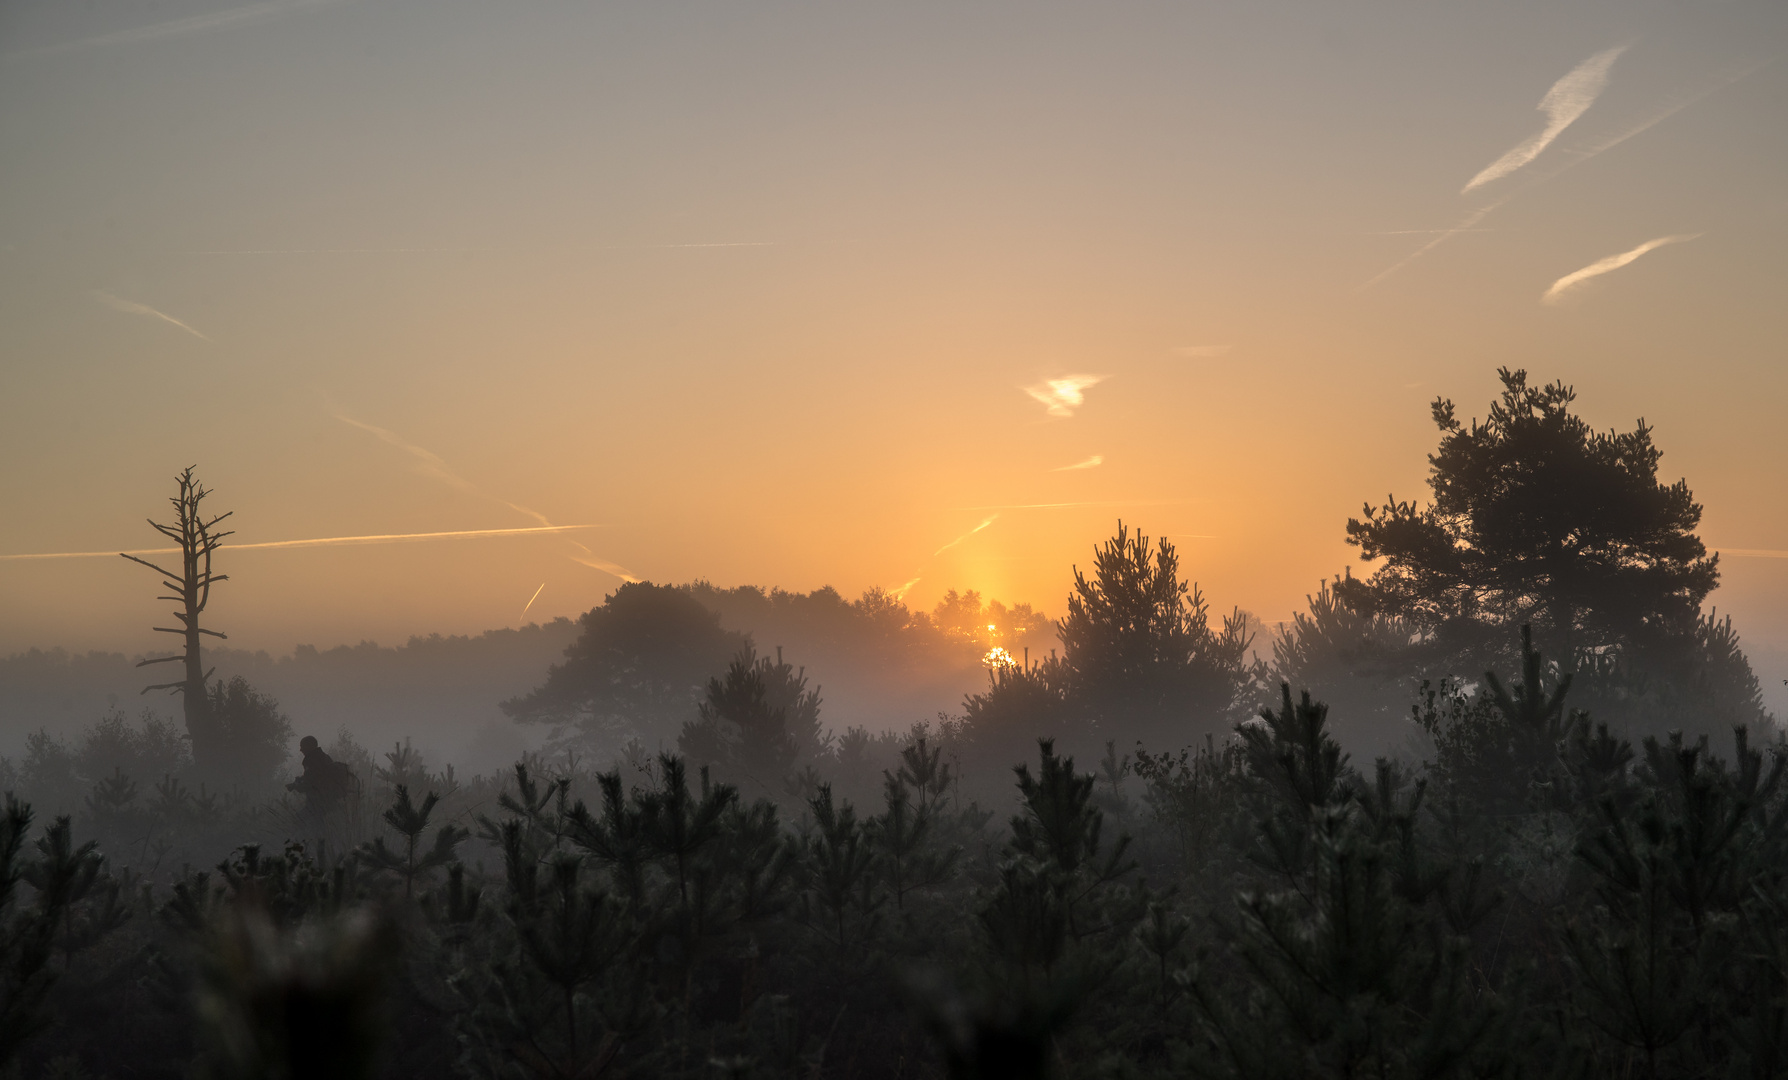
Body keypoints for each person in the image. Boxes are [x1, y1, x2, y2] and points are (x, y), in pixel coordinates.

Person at [287, 735, 356, 823]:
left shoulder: (311, 760)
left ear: (310, 746)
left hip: (318, 802)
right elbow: (315, 776)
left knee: (297, 821)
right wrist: (298, 782)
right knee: (318, 826)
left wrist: (295, 786)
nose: (301, 750)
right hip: (328, 801)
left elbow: (310, 783)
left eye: (302, 746)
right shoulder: (324, 757)